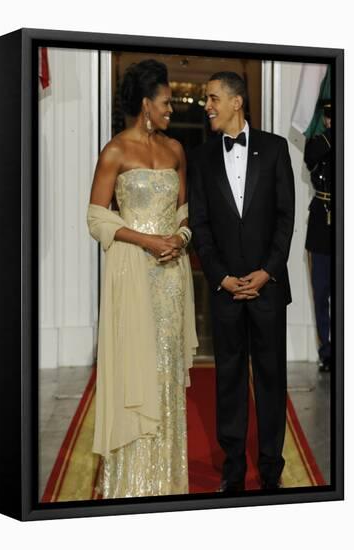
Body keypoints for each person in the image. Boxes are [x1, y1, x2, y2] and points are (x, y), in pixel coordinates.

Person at [87, 59, 198, 498]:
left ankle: (166, 479)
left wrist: (181, 237)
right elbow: (96, 218)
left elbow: (186, 212)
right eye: (167, 102)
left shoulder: (175, 151)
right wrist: (146, 241)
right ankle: (130, 482)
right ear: (146, 104)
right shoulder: (115, 150)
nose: (172, 110)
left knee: (165, 367)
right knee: (136, 366)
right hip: (132, 273)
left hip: (171, 277)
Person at [188, 71, 295, 492]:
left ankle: (271, 469)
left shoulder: (275, 149)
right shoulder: (200, 158)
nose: (207, 105)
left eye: (213, 97)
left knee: (271, 380)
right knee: (229, 381)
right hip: (226, 291)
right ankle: (233, 469)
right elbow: (200, 224)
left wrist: (267, 271)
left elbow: (285, 217)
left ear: (236, 102)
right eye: (206, 99)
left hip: (268, 288)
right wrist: (222, 277)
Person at [303, 101, 331, 373]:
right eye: (329, 117)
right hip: (322, 223)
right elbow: (310, 156)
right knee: (321, 291)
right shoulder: (320, 142)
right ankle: (327, 352)